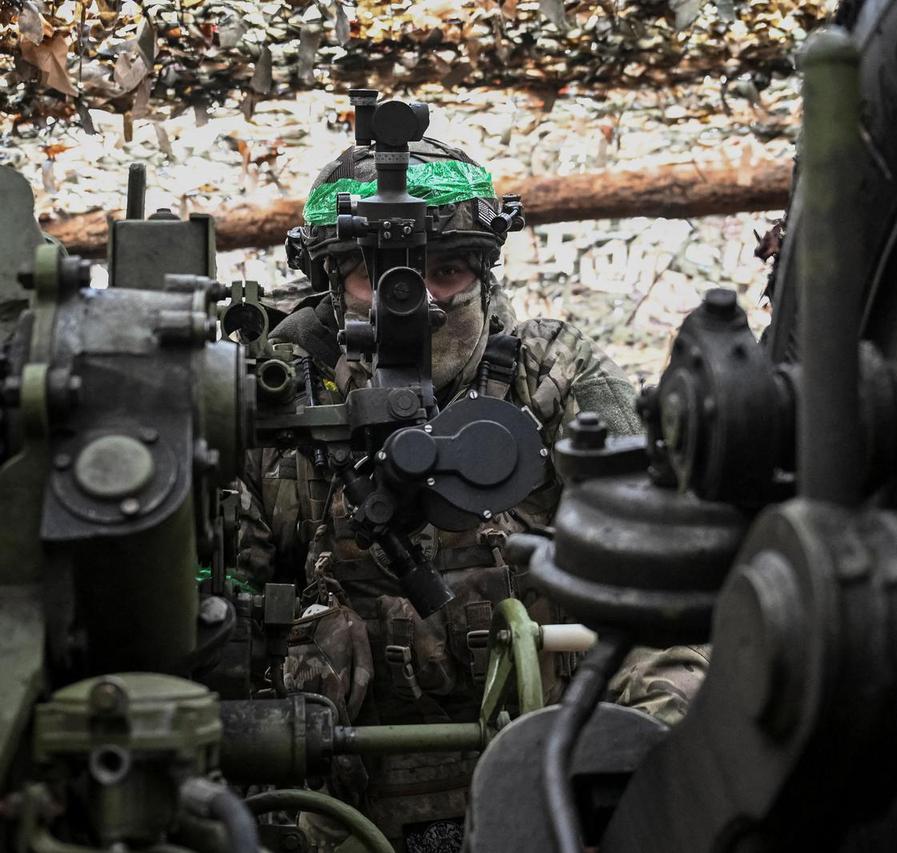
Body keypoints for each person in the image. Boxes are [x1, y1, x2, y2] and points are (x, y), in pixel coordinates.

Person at [237, 136, 706, 852]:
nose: (417, 302)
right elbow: (217, 608)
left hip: (554, 753)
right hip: (341, 777)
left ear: (485, 274)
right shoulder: (281, 400)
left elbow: (665, 571)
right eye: (381, 276)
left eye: (446, 270)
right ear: (333, 286)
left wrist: (645, 754)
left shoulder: (551, 373)